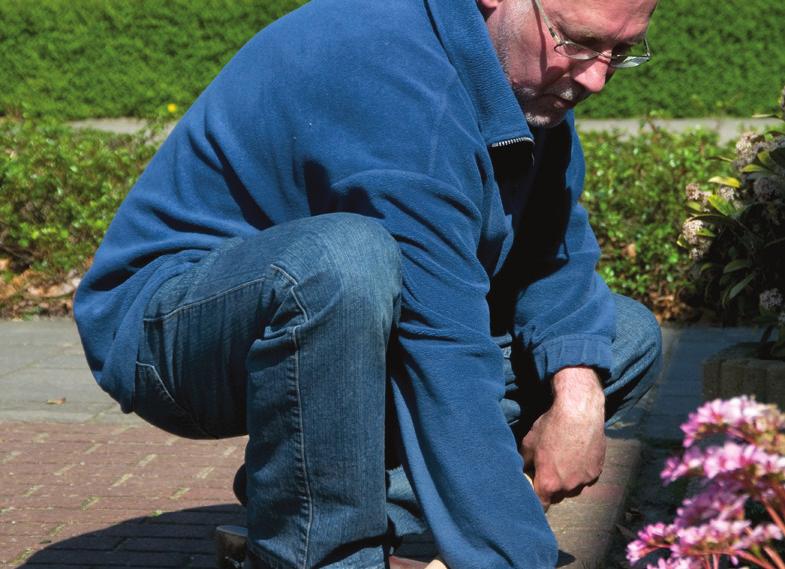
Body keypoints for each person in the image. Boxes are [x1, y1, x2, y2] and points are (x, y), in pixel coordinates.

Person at [74, 0, 662, 567]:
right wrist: (514, 554)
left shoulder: (523, 81)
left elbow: (555, 250)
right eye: (579, 41)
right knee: (347, 261)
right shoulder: (392, 72)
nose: (596, 79)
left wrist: (579, 394)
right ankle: (325, 554)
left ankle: (325, 504)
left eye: (622, 50)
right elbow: (442, 347)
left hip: (339, 311)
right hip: (171, 328)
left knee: (619, 337)